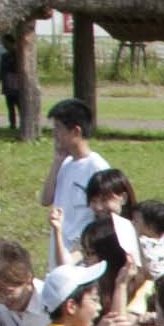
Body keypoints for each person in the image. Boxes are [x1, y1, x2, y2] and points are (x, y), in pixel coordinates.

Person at [38, 99, 109, 257]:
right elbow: (45, 199)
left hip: (82, 256)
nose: (54, 134)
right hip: (59, 250)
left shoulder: (97, 168)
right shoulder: (65, 163)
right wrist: (57, 162)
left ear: (76, 131)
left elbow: (105, 218)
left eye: (58, 128)